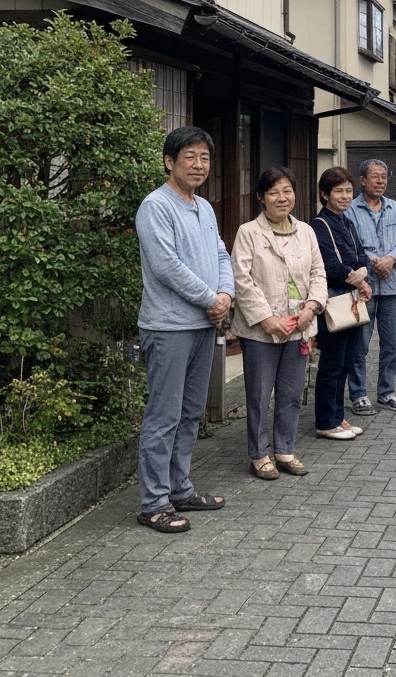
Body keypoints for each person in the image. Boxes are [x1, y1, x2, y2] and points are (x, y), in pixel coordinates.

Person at [134, 126, 234, 533]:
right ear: (169, 162)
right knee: (164, 415)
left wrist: (225, 293)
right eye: (189, 156)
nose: (198, 164)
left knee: (191, 412)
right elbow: (166, 266)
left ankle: (180, 489)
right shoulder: (155, 206)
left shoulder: (204, 207)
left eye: (204, 157)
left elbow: (221, 254)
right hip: (169, 327)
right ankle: (153, 503)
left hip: (203, 324)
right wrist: (212, 299)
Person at [231, 167, 327, 479]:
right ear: (261, 197)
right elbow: (242, 280)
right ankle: (259, 455)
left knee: (291, 392)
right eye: (273, 192)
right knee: (259, 395)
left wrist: (312, 307)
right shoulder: (248, 232)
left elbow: (318, 273)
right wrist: (266, 318)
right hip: (261, 329)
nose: (281, 198)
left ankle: (285, 450)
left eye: (287, 191)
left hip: (299, 325)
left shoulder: (306, 232)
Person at [312, 167, 373, 441]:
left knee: (347, 361)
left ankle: (337, 416)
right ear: (325, 194)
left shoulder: (347, 222)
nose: (345, 196)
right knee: (332, 363)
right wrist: (359, 279)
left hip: (350, 300)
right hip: (334, 300)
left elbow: (362, 255)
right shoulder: (320, 225)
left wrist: (364, 272)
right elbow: (330, 265)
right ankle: (326, 420)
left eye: (348, 190)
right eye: (338, 191)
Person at [346, 159, 396, 415]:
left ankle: (386, 391)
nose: (381, 181)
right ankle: (359, 394)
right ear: (362, 180)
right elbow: (351, 245)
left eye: (384, 176)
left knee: (392, 344)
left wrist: (391, 259)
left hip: (392, 287)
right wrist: (375, 261)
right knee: (359, 345)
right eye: (375, 176)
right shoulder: (351, 210)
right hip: (364, 287)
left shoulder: (394, 208)